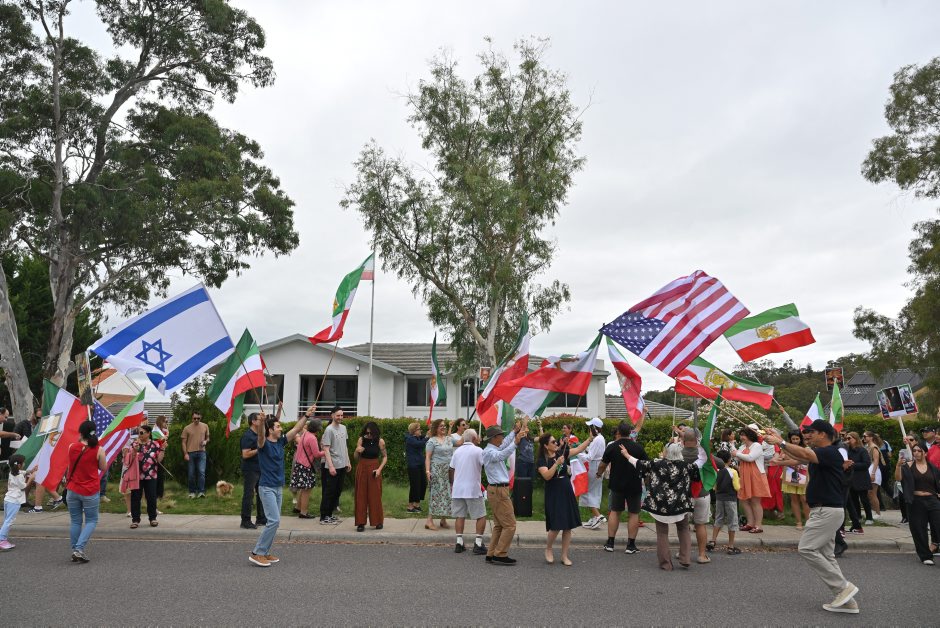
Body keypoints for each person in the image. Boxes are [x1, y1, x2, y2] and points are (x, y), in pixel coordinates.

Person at [765, 420, 860, 615]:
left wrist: (781, 442)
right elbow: (799, 455)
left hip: (826, 510)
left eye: (812, 432)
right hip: (826, 510)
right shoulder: (822, 453)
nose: (807, 435)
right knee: (827, 556)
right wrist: (778, 440)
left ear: (823, 434)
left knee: (806, 548)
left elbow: (805, 454)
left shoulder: (830, 451)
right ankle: (848, 601)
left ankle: (843, 588)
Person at [618, 440, 700, 571]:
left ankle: (666, 563)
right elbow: (698, 473)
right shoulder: (688, 466)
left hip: (660, 506)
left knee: (662, 533)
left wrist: (627, 455)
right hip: (681, 505)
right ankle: (685, 559)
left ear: (667, 453)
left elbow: (638, 463)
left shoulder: (656, 464)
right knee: (684, 529)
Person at [249, 410, 308, 567]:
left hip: (277, 487)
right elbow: (260, 436)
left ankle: (265, 552)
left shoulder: (280, 442)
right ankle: (257, 553)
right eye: (278, 426)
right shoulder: (263, 444)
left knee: (275, 521)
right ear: (270, 430)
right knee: (274, 520)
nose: (281, 428)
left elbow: (296, 429)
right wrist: (262, 422)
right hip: (266, 488)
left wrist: (307, 415)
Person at [538, 430, 594, 565]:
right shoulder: (542, 460)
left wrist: (590, 439)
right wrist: (556, 463)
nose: (556, 443)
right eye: (553, 442)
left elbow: (579, 449)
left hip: (566, 490)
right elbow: (547, 476)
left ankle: (564, 555)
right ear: (546, 445)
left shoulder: (561, 453)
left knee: (568, 526)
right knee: (556, 526)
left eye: (556, 441)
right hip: (554, 493)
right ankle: (549, 549)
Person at [597, 421, 648, 554]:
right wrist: (647, 483)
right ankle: (631, 545)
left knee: (615, 511)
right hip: (634, 485)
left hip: (616, 484)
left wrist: (599, 474)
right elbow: (645, 467)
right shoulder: (638, 447)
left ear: (618, 432)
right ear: (630, 432)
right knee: (634, 513)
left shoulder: (612, 447)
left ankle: (610, 543)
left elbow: (602, 464)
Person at [483, 422, 526, 565]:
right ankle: (500, 554)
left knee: (500, 525)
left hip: (497, 490)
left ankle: (491, 553)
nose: (502, 437)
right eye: (501, 435)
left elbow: (504, 445)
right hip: (499, 491)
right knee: (510, 525)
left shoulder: (492, 448)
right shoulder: (489, 452)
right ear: (494, 438)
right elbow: (502, 455)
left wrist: (514, 432)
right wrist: (516, 442)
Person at [66, 420, 108, 563]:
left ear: (81, 432)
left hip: (72, 489)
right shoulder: (99, 449)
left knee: (75, 521)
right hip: (90, 490)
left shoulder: (71, 447)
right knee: (91, 520)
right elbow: (103, 468)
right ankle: (79, 549)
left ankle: (75, 549)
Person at [895, 440, 940, 565]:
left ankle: (935, 543)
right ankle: (926, 556)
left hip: (932, 500)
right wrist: (898, 466)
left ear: (925, 453)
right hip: (915, 501)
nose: (916, 453)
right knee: (919, 529)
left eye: (919, 451)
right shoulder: (908, 466)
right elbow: (898, 478)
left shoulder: (933, 468)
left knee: (937, 524)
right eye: (914, 450)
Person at [449, 428, 488, 555]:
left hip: (458, 488)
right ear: (474, 438)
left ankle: (459, 542)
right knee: (481, 515)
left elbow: (451, 469)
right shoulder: (478, 450)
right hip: (472, 489)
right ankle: (478, 543)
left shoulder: (457, 451)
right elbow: (486, 464)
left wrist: (452, 484)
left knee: (460, 515)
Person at [682, 429, 711, 565]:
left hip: (684, 494)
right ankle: (701, 554)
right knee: (700, 525)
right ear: (697, 439)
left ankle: (683, 553)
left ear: (683, 440)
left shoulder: (678, 453)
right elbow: (720, 464)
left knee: (683, 526)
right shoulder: (703, 453)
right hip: (702, 493)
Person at [770, 430, 810, 530]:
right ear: (790, 439)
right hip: (789, 473)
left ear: (801, 439)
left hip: (803, 474)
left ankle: (809, 522)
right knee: (794, 498)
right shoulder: (786, 447)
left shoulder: (806, 448)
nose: (795, 441)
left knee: (804, 499)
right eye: (793, 439)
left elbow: (802, 459)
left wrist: (786, 458)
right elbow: (781, 457)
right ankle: (798, 522)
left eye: (797, 439)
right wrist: (778, 459)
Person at [734, 427, 770, 533]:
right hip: (745, 475)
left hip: (755, 475)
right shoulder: (742, 446)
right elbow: (737, 458)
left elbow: (750, 458)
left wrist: (737, 454)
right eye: (741, 435)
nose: (741, 437)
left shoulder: (757, 445)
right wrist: (738, 455)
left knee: (755, 501)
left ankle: (758, 525)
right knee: (744, 500)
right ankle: (750, 523)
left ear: (749, 435)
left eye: (743, 435)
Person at [353, 421, 387, 532]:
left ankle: (378, 521)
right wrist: (357, 451)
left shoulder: (380, 441)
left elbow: (385, 457)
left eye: (370, 433)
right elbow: (356, 458)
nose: (368, 435)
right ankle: (360, 523)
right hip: (362, 467)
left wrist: (379, 469)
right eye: (367, 433)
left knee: (375, 495)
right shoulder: (361, 439)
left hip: (374, 468)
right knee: (361, 496)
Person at [319, 406, 350, 524]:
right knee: (329, 492)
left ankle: (330, 514)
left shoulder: (343, 428)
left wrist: (347, 461)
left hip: (342, 465)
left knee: (337, 491)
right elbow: (326, 449)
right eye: (338, 415)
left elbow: (345, 446)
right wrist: (331, 466)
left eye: (341, 415)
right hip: (332, 466)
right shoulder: (329, 430)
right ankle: (324, 516)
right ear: (332, 415)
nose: (340, 417)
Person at [290, 410, 324, 520]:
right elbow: (316, 454)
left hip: (299, 464)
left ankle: (298, 507)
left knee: (303, 488)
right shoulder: (312, 438)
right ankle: (303, 513)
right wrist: (326, 451)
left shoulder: (305, 434)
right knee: (307, 490)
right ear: (318, 429)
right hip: (306, 466)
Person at [128, 425, 163, 529]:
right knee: (135, 497)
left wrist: (163, 449)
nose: (139, 435)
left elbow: (159, 460)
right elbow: (129, 460)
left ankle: (152, 518)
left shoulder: (155, 444)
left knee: (151, 497)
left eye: (142, 432)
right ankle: (135, 519)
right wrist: (135, 450)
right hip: (137, 475)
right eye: (139, 432)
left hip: (151, 475)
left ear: (148, 433)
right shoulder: (134, 444)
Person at [424, 418, 455, 531]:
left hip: (448, 471)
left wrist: (470, 436)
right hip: (436, 470)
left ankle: (443, 520)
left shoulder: (449, 439)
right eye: (441, 426)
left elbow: (461, 442)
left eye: (444, 426)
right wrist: (428, 471)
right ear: (436, 428)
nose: (443, 427)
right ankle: (429, 521)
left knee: (447, 494)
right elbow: (428, 457)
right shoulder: (432, 441)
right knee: (435, 494)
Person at [709, 450, 740, 554]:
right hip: (730, 498)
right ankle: (730, 546)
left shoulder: (716, 471)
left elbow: (714, 487)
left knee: (718, 519)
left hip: (719, 498)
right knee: (732, 521)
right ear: (729, 460)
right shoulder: (733, 472)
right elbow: (736, 487)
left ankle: (713, 541)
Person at [240, 412, 267, 529]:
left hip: (259, 468)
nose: (262, 421)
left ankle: (261, 518)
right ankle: (245, 520)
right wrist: (258, 449)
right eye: (260, 419)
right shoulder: (248, 436)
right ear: (253, 421)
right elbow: (245, 454)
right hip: (250, 469)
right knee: (249, 494)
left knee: (261, 494)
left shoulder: (259, 435)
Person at [579, 418, 607, 530]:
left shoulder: (597, 440)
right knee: (594, 492)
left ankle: (598, 516)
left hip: (594, 466)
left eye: (590, 427)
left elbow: (589, 457)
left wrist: (577, 453)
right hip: (596, 465)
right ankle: (595, 517)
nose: (589, 430)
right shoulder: (600, 438)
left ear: (594, 428)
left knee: (587, 491)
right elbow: (592, 452)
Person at [0, 454, 32, 551]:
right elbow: (23, 487)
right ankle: (1, 540)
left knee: (7, 520)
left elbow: (22, 472)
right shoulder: (19, 476)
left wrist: (29, 471)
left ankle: (3, 538)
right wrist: (31, 479)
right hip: (14, 501)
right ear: (19, 465)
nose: (24, 463)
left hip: (8, 499)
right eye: (23, 462)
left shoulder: (12, 472)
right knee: (9, 521)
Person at [844, 432, 873, 533]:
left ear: (855, 439)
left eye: (849, 438)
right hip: (851, 478)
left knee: (864, 499)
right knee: (853, 499)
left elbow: (867, 463)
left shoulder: (862, 450)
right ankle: (858, 517)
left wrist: (852, 465)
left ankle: (869, 517)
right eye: (847, 438)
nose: (847, 440)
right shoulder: (847, 450)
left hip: (861, 478)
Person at [181, 411, 210, 498]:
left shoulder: (205, 426)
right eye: (195, 418)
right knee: (191, 474)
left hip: (202, 452)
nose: (196, 420)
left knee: (201, 472)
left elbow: (208, 437)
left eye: (198, 418)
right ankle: (192, 492)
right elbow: (183, 442)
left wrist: (206, 441)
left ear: (200, 418)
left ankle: (201, 492)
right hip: (190, 453)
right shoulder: (187, 428)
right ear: (192, 418)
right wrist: (185, 453)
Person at [404, 422, 428, 513]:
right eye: (418, 429)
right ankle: (410, 507)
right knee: (415, 485)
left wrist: (430, 432)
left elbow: (423, 438)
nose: (420, 430)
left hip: (420, 464)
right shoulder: (410, 439)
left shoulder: (417, 437)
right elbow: (420, 444)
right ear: (414, 431)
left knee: (423, 483)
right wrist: (427, 437)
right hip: (413, 466)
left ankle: (417, 505)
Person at [862, 431, 883, 520]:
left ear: (871, 437)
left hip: (874, 471)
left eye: (865, 436)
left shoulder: (874, 447)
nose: (864, 438)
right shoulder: (867, 446)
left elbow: (876, 461)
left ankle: (877, 513)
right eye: (863, 436)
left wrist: (873, 473)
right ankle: (874, 511)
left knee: (872, 493)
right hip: (869, 470)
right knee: (869, 494)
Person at [153, 415, 169, 508]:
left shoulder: (162, 431)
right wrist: (165, 437)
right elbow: (158, 441)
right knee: (157, 474)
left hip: (161, 454)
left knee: (161, 474)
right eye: (165, 422)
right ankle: (157, 494)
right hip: (156, 456)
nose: (166, 423)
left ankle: (160, 494)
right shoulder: (155, 431)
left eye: (167, 422)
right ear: (160, 421)